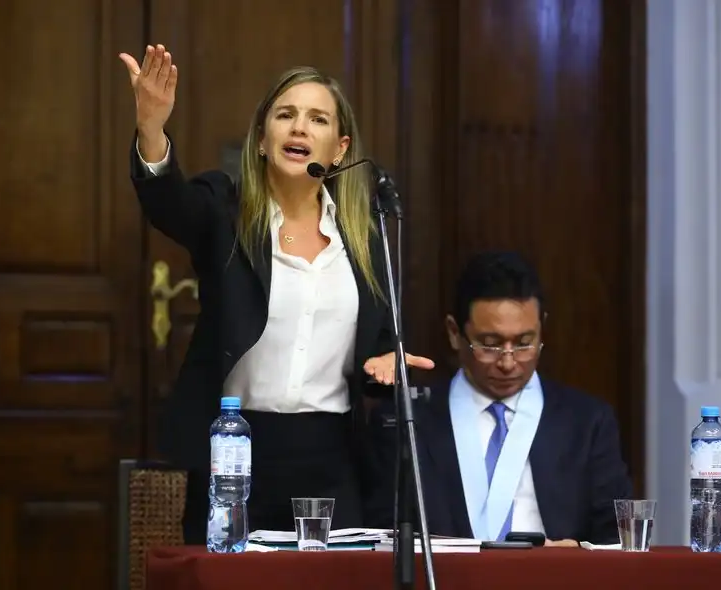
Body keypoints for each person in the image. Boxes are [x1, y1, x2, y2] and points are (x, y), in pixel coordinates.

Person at [117, 45, 435, 543]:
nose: (299, 128)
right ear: (263, 140)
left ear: (340, 149)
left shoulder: (366, 238)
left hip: (333, 457)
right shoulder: (225, 213)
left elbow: (376, 345)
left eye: (317, 119)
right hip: (236, 453)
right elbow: (169, 203)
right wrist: (152, 129)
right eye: (285, 115)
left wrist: (385, 362)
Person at [370, 251, 633, 545]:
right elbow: (381, 539)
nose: (508, 363)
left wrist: (577, 554)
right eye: (490, 345)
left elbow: (616, 539)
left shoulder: (587, 422)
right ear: (455, 333)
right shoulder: (408, 420)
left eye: (524, 343)